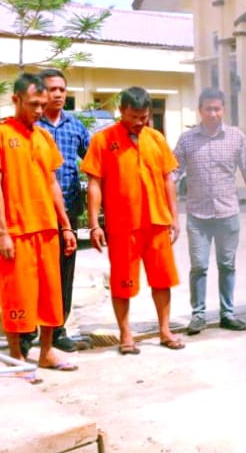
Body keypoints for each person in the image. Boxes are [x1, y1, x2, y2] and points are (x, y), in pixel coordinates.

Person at [80, 86, 184, 354]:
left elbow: (167, 178)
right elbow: (95, 183)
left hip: (157, 222)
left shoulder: (156, 139)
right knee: (122, 282)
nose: (140, 123)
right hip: (123, 226)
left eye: (145, 117)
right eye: (135, 117)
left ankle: (165, 330)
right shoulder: (103, 140)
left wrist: (174, 216)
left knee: (162, 280)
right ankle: (126, 336)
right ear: (121, 111)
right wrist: (94, 224)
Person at [0, 73, 79, 379]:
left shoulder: (44, 137)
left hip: (47, 229)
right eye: (33, 104)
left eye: (42, 105)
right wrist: (3, 232)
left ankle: (46, 352)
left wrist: (66, 226)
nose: (38, 110)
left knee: (50, 295)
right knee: (17, 298)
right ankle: (18, 358)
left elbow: (52, 183)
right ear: (16, 99)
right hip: (17, 232)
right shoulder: (4, 134)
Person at [173, 87, 246, 335]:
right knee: (199, 267)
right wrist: (160, 192)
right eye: (208, 109)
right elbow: (174, 171)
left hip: (228, 213)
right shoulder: (187, 140)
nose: (212, 113)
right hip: (197, 215)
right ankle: (198, 315)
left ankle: (227, 313)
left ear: (223, 110)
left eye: (217, 109)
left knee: (227, 265)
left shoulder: (236, 138)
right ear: (200, 111)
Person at [21, 68, 93, 355]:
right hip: (34, 212)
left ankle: (58, 329)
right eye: (52, 89)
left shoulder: (75, 127)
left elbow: (94, 164)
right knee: (32, 274)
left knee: (63, 273)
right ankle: (27, 332)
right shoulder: (31, 128)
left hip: (67, 213)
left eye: (62, 89)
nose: (58, 94)